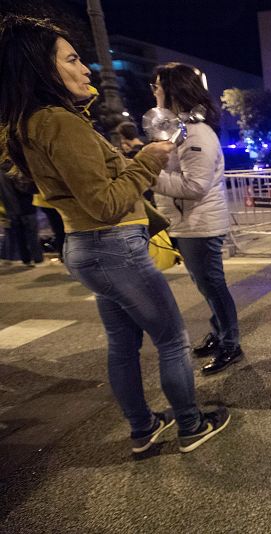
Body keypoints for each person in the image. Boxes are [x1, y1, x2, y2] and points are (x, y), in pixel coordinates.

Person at [0, 15, 229, 453]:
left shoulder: (32, 123)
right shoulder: (58, 122)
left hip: (88, 248)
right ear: (41, 68)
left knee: (122, 344)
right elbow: (104, 204)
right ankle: (190, 425)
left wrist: (133, 162)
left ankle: (143, 429)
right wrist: (147, 160)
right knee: (171, 339)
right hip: (113, 247)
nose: (86, 69)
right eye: (72, 59)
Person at [148, 63, 242, 375]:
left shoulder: (196, 134)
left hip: (200, 225)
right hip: (188, 224)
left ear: (174, 90)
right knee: (206, 286)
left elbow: (195, 186)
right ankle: (221, 334)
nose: (155, 91)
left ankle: (231, 344)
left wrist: (149, 175)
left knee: (213, 287)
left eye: (159, 86)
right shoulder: (183, 130)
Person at [0, 164, 44, 267]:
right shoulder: (12, 169)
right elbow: (24, 187)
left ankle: (26, 259)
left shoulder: (1, 172)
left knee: (20, 236)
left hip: (10, 209)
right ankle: (38, 259)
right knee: (32, 234)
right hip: (25, 207)